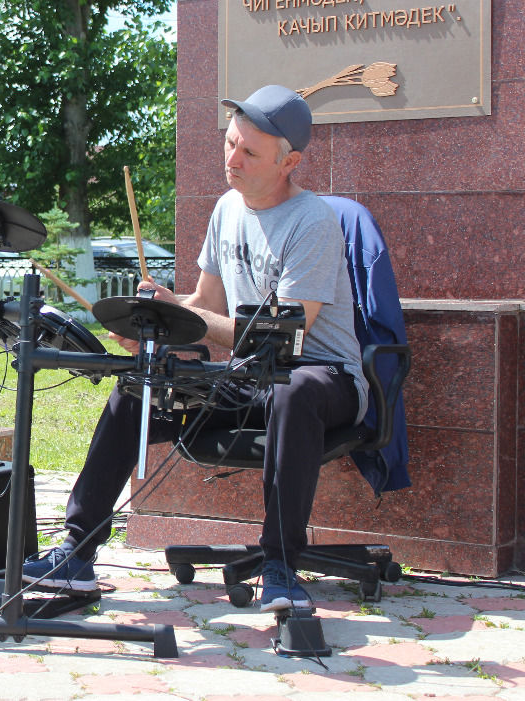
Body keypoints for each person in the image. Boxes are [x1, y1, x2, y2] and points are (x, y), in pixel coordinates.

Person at [24, 85, 367, 612]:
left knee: (293, 390)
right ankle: (76, 553)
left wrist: (197, 318)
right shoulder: (228, 208)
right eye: (230, 143)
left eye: (249, 151)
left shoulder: (313, 221)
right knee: (139, 385)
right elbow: (205, 301)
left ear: (289, 161)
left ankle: (279, 566)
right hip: (252, 377)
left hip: (323, 376)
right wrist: (160, 314)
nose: (232, 159)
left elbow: (287, 334)